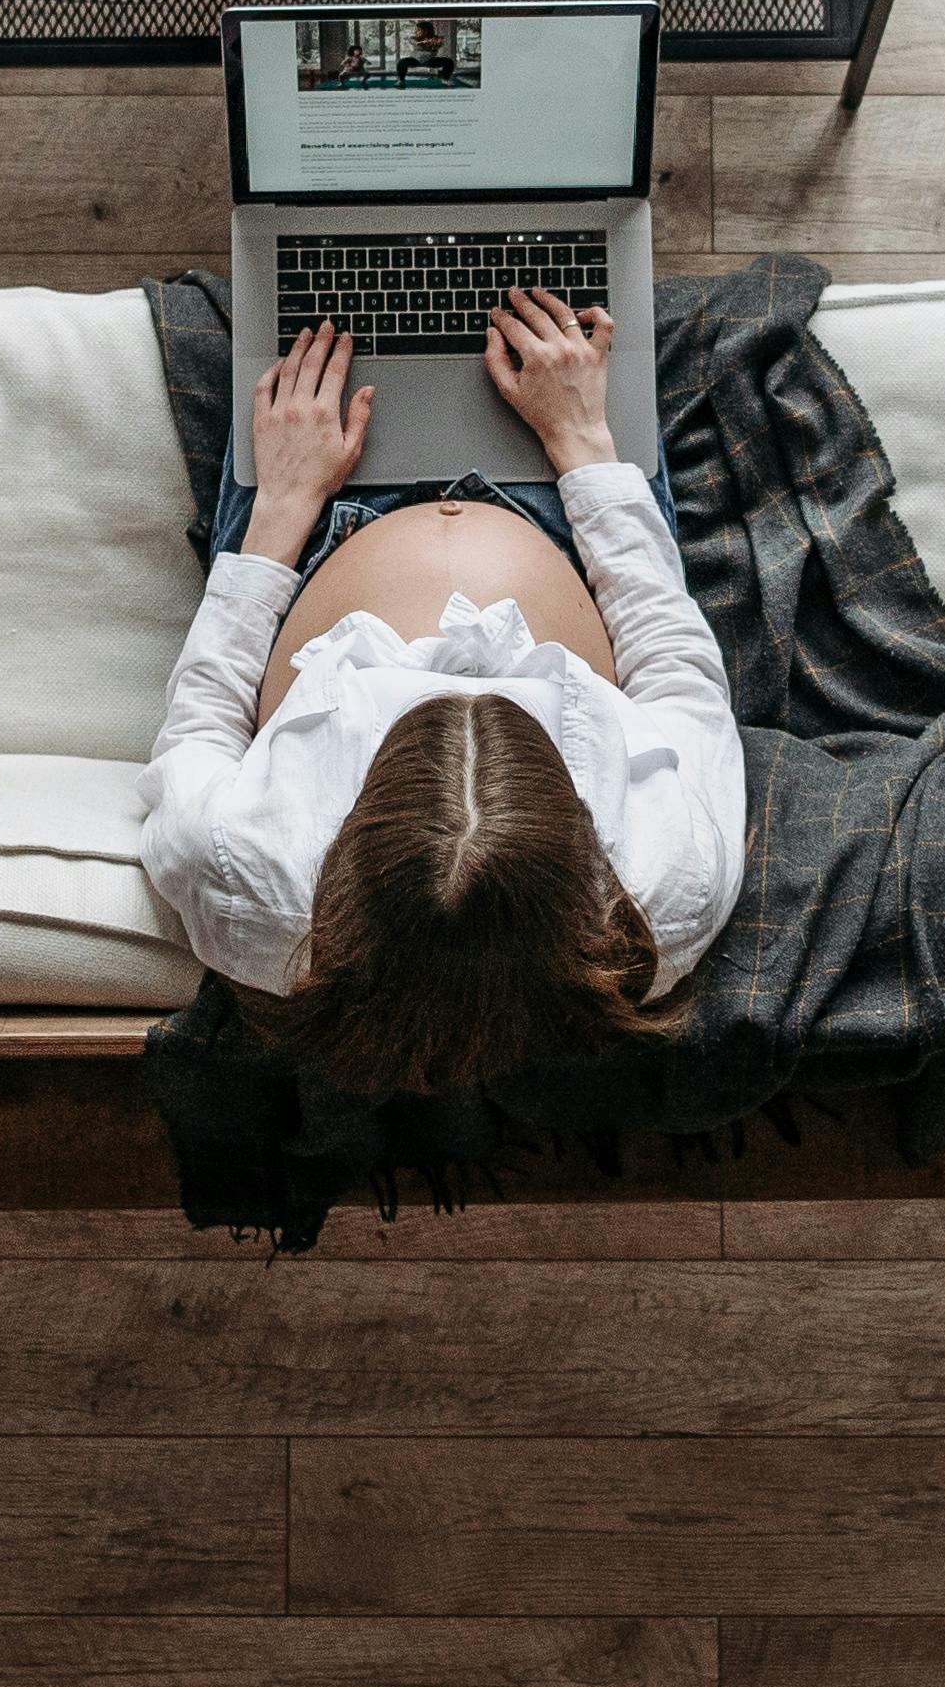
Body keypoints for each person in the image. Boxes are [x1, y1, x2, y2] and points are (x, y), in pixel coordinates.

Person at [137, 285, 745, 1094]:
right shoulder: (666, 895)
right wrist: (583, 443)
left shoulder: (248, 886)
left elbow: (202, 726)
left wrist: (283, 504)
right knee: (572, 305)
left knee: (313, 298)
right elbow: (675, 671)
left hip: (311, 525)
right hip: (564, 514)